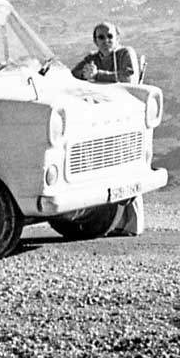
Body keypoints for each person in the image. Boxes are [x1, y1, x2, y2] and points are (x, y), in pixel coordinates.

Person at [72, 21, 145, 236]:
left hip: (126, 120)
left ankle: (133, 224)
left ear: (117, 37)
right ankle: (117, 222)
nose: (106, 41)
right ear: (95, 40)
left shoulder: (125, 53)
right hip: (103, 123)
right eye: (101, 37)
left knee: (129, 169)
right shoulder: (92, 58)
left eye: (110, 36)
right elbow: (74, 74)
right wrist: (85, 73)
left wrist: (98, 75)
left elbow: (128, 77)